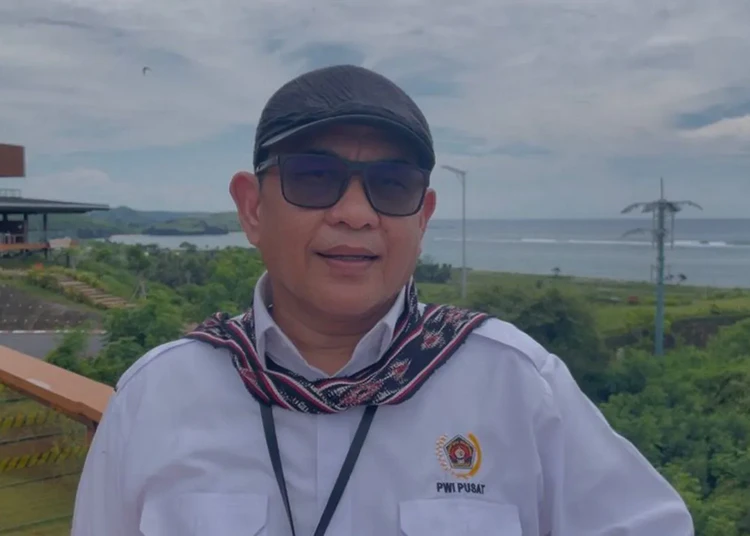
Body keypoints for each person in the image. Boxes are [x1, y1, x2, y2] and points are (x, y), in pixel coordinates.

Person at [71, 64, 694, 536]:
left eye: (391, 186)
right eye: (315, 177)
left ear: (422, 217)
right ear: (253, 208)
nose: (354, 213)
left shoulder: (516, 384)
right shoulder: (157, 397)